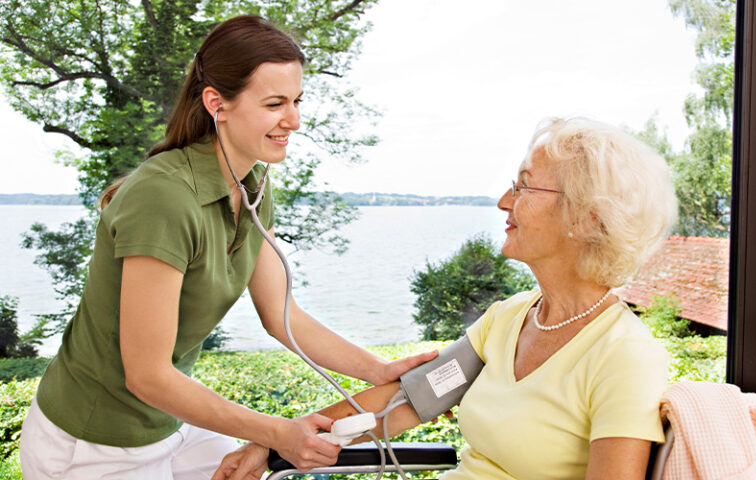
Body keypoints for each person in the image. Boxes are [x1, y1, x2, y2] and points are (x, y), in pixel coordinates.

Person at [19, 15, 436, 480]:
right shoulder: (163, 197)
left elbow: (281, 314)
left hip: (171, 423)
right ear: (217, 103)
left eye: (297, 101)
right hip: (94, 443)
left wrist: (378, 370)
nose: (294, 121)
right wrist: (278, 432)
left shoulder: (253, 182)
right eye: (275, 103)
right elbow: (147, 374)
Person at [214, 117, 678, 480]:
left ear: (586, 216)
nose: (502, 201)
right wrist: (273, 443)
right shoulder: (509, 318)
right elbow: (411, 399)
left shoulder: (625, 357)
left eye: (524, 186)